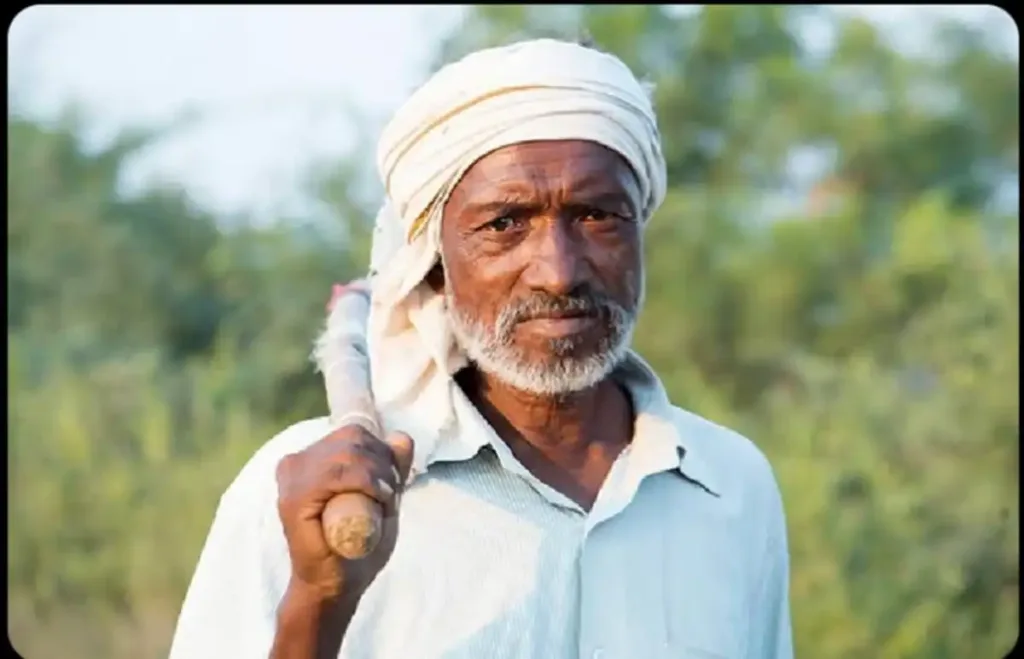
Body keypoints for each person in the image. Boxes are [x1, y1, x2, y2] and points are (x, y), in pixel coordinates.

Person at [168, 38, 793, 659]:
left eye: (598, 216)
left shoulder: (732, 486)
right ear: (433, 264)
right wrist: (318, 600)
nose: (558, 271)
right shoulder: (306, 494)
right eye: (504, 224)